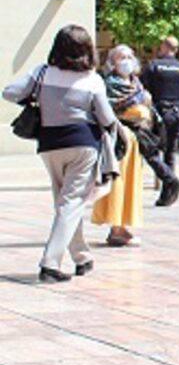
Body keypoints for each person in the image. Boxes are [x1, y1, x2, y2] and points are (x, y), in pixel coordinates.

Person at [3, 25, 117, 282]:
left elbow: (9, 92)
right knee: (71, 202)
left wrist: (38, 101)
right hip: (83, 143)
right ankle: (50, 263)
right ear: (87, 49)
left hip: (49, 144)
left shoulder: (42, 73)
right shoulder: (92, 79)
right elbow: (107, 118)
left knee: (65, 201)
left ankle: (81, 256)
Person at [92, 45, 147, 247]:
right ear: (112, 62)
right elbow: (106, 111)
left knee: (131, 183)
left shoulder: (136, 84)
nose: (127, 60)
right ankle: (115, 227)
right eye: (122, 57)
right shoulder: (108, 85)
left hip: (135, 140)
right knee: (117, 182)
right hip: (117, 139)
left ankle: (123, 226)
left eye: (130, 56)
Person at [142, 36, 179, 206]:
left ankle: (170, 181)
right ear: (177, 50)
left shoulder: (153, 66)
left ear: (163, 47)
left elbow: (142, 91)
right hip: (177, 114)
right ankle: (167, 194)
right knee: (170, 153)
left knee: (151, 150)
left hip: (158, 113)